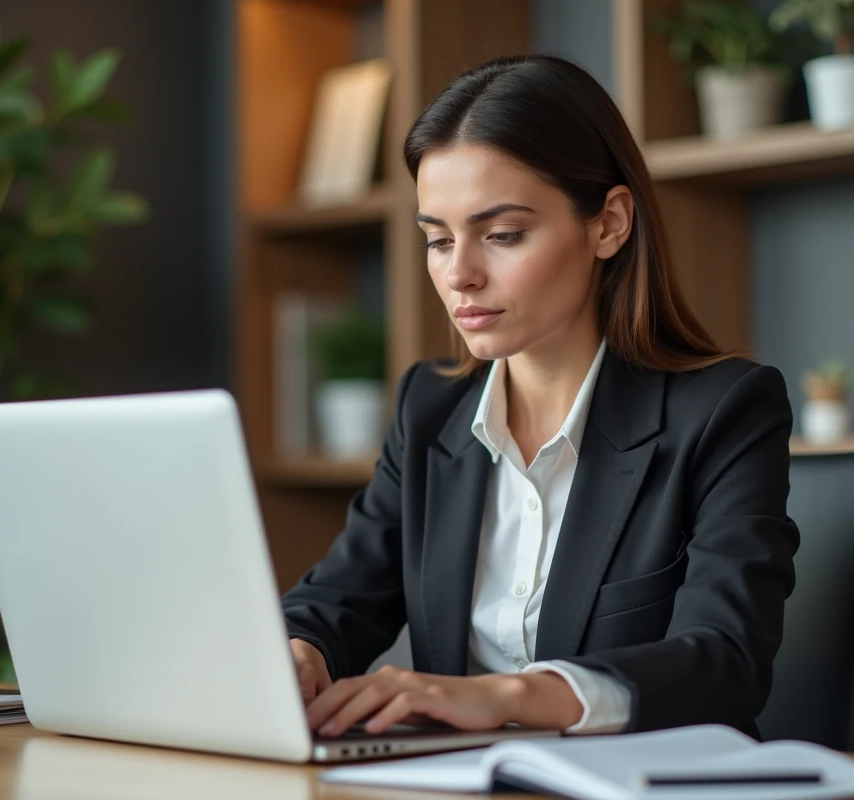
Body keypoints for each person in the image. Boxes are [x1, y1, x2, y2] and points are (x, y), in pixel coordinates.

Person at [281, 54, 799, 741]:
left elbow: (724, 662)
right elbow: (337, 600)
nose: (459, 274)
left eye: (502, 235)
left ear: (609, 224)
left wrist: (507, 696)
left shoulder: (724, 411)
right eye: (437, 240)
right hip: (460, 783)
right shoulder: (429, 410)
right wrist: (300, 653)